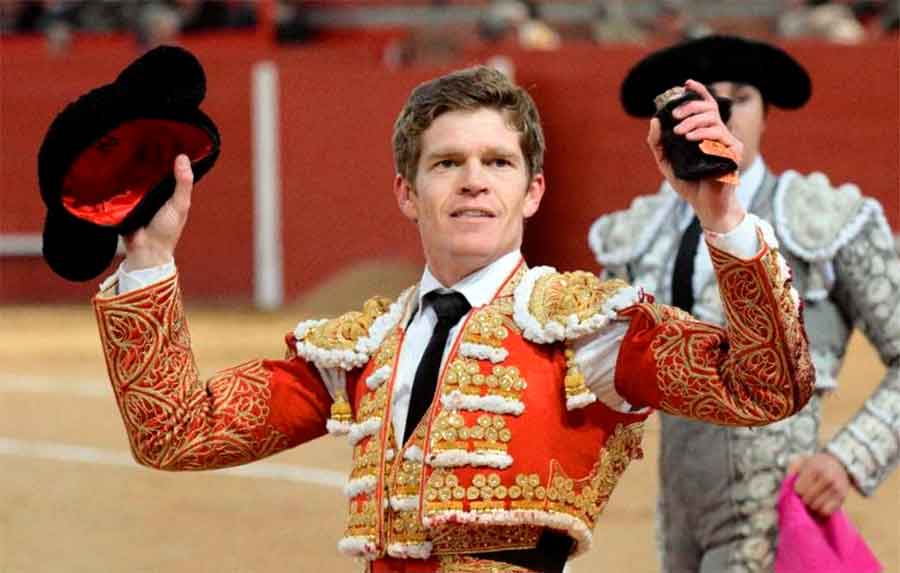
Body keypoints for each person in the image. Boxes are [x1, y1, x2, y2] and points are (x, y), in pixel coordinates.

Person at [92, 65, 813, 572]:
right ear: (407, 193)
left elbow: (765, 387)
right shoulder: (363, 348)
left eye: (497, 162)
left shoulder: (585, 328)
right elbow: (177, 433)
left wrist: (723, 216)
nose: (473, 181)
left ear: (532, 191)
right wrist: (150, 256)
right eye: (447, 164)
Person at [590, 35, 900, 572]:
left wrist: (850, 457)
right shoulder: (638, 234)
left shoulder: (824, 219)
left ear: (767, 113)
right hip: (677, 513)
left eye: (740, 96)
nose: (721, 110)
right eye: (701, 97)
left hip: (776, 512)